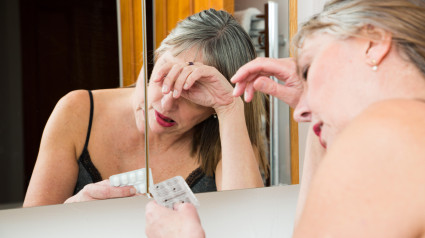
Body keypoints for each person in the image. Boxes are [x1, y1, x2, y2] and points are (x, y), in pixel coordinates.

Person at [145, 0, 425, 237]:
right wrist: (318, 116)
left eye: (307, 70)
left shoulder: (393, 126)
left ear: (373, 43)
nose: (299, 112)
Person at [23, 9, 269, 207]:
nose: (166, 104)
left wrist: (229, 107)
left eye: (193, 95)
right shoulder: (76, 111)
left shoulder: (229, 140)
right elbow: (31, 229)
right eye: (164, 77)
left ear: (213, 108)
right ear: (154, 59)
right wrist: (71, 211)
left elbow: (250, 223)